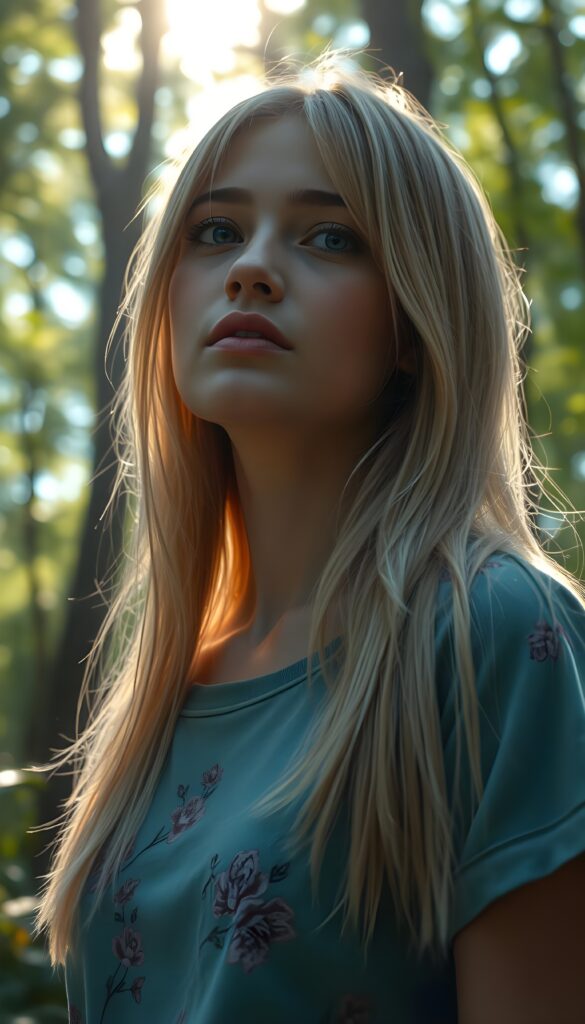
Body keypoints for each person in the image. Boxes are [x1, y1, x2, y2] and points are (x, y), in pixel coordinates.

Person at [32, 51, 585, 1023]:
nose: (249, 266)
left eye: (329, 236)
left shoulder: (495, 633)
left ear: (416, 322)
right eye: (215, 230)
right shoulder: (171, 682)